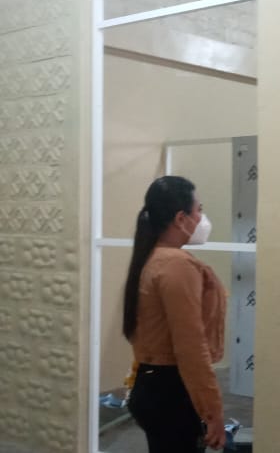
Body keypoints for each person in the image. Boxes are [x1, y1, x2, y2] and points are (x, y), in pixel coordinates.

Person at [123, 176, 227, 452]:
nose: (202, 218)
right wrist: (212, 411)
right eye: (199, 210)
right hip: (171, 391)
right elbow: (190, 345)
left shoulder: (154, 256)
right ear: (181, 218)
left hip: (152, 383)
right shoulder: (176, 265)